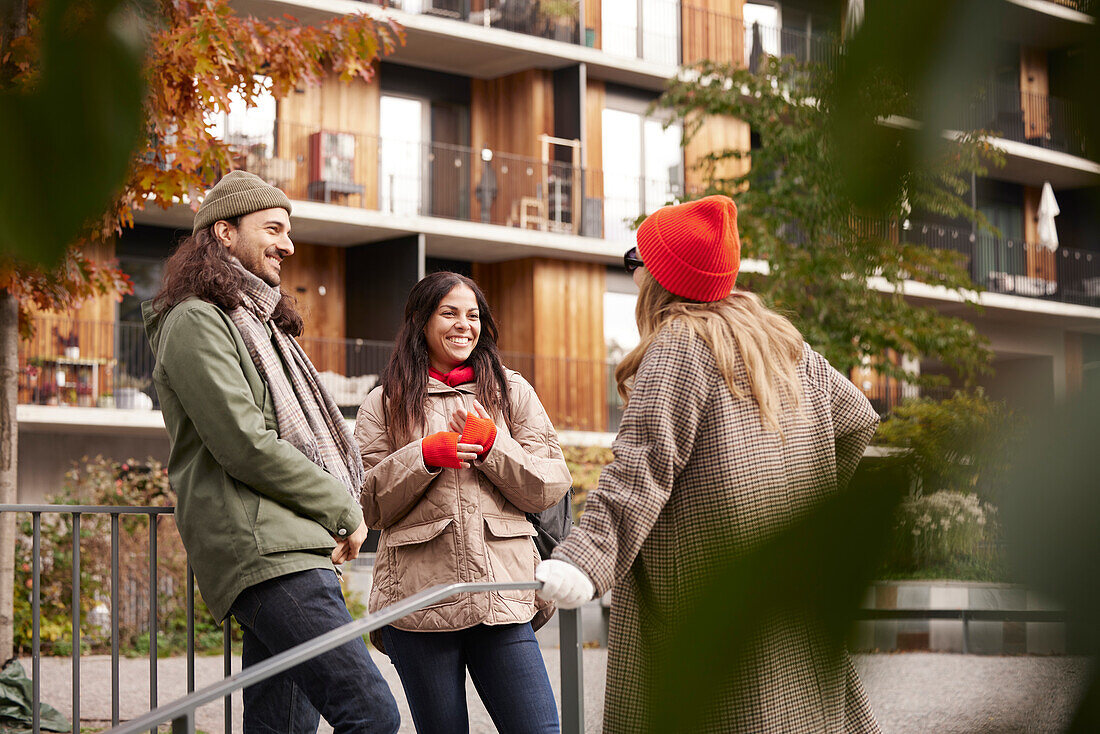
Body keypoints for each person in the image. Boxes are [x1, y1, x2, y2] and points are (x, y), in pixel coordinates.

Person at [535, 195, 882, 733]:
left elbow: (641, 465)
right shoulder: (784, 344)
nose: (634, 276)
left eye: (638, 262)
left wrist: (583, 560)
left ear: (662, 277)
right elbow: (858, 418)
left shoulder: (680, 343)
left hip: (699, 597)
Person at [143, 171, 401, 734]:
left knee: (280, 726)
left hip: (290, 545)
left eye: (289, 231)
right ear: (225, 233)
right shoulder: (195, 320)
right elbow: (244, 443)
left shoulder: (263, 324)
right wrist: (342, 505)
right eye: (274, 228)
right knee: (371, 712)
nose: (288, 244)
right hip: (263, 551)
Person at [354, 271, 572, 734]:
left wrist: (495, 447)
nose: (463, 325)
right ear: (420, 321)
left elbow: (551, 484)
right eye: (449, 312)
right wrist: (424, 455)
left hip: (502, 596)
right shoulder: (385, 402)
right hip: (420, 601)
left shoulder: (511, 392)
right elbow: (368, 504)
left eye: (473, 315)